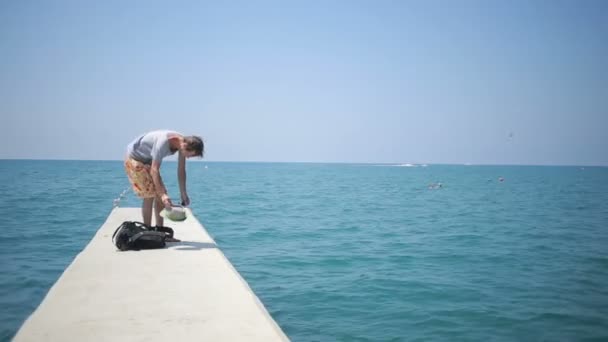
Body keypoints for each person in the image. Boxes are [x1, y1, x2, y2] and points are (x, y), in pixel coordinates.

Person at [124, 130, 204, 227]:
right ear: (184, 146)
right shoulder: (162, 143)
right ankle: (147, 231)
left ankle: (159, 231)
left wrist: (183, 193)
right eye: (189, 155)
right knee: (149, 194)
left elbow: (181, 170)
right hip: (134, 159)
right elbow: (154, 170)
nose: (187, 158)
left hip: (148, 161)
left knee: (161, 196)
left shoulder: (183, 143)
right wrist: (162, 195)